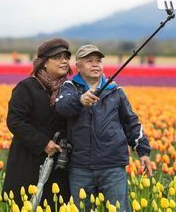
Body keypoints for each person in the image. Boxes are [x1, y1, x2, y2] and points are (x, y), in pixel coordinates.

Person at [55, 44, 153, 212]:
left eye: (98, 61)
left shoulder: (115, 91)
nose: (95, 64)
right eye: (89, 61)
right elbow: (62, 106)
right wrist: (80, 100)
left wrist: (143, 151)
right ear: (78, 66)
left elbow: (131, 123)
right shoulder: (69, 88)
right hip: (80, 166)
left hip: (112, 165)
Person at [3, 38, 72, 209]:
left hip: (58, 167)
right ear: (44, 62)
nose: (64, 61)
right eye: (58, 57)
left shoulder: (69, 90)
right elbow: (15, 121)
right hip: (28, 164)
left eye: (66, 57)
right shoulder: (26, 88)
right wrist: (43, 143)